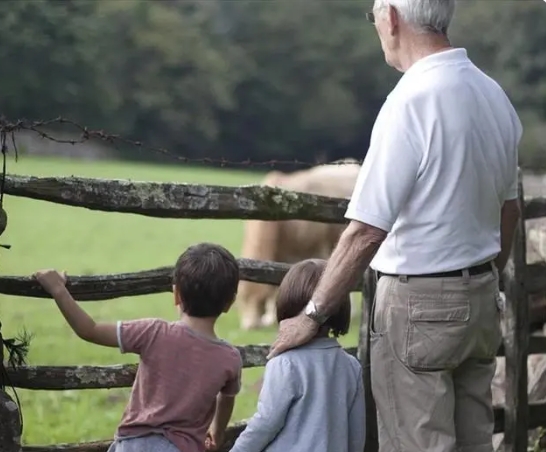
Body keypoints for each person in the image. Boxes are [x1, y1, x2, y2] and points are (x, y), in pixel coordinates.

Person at [267, 0, 522, 451]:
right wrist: (481, 279)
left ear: (390, 17)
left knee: (417, 443)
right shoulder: (493, 94)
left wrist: (313, 314)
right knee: (474, 442)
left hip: (419, 305)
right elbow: (508, 211)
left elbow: (366, 230)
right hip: (482, 295)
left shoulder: (410, 101)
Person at [34, 242, 243, 452]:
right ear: (229, 303)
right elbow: (227, 399)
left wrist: (58, 289)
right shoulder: (229, 359)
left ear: (176, 294)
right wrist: (216, 433)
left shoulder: (154, 333)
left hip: (132, 444)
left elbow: (90, 329)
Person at [230, 259, 365, 452]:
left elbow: (266, 423)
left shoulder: (285, 364)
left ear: (287, 305)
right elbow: (356, 435)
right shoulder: (351, 366)